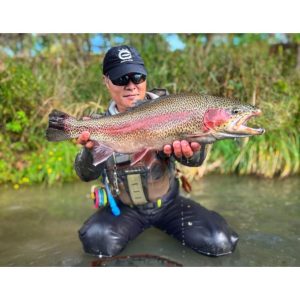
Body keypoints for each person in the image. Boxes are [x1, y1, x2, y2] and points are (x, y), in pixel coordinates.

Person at [75, 45, 239, 257]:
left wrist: (189, 152)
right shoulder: (99, 124)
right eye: (121, 79)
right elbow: (84, 174)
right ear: (106, 81)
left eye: (137, 77)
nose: (131, 85)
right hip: (124, 209)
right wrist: (90, 151)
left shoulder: (173, 108)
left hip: (169, 205)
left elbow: (196, 160)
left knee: (220, 241)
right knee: (96, 241)